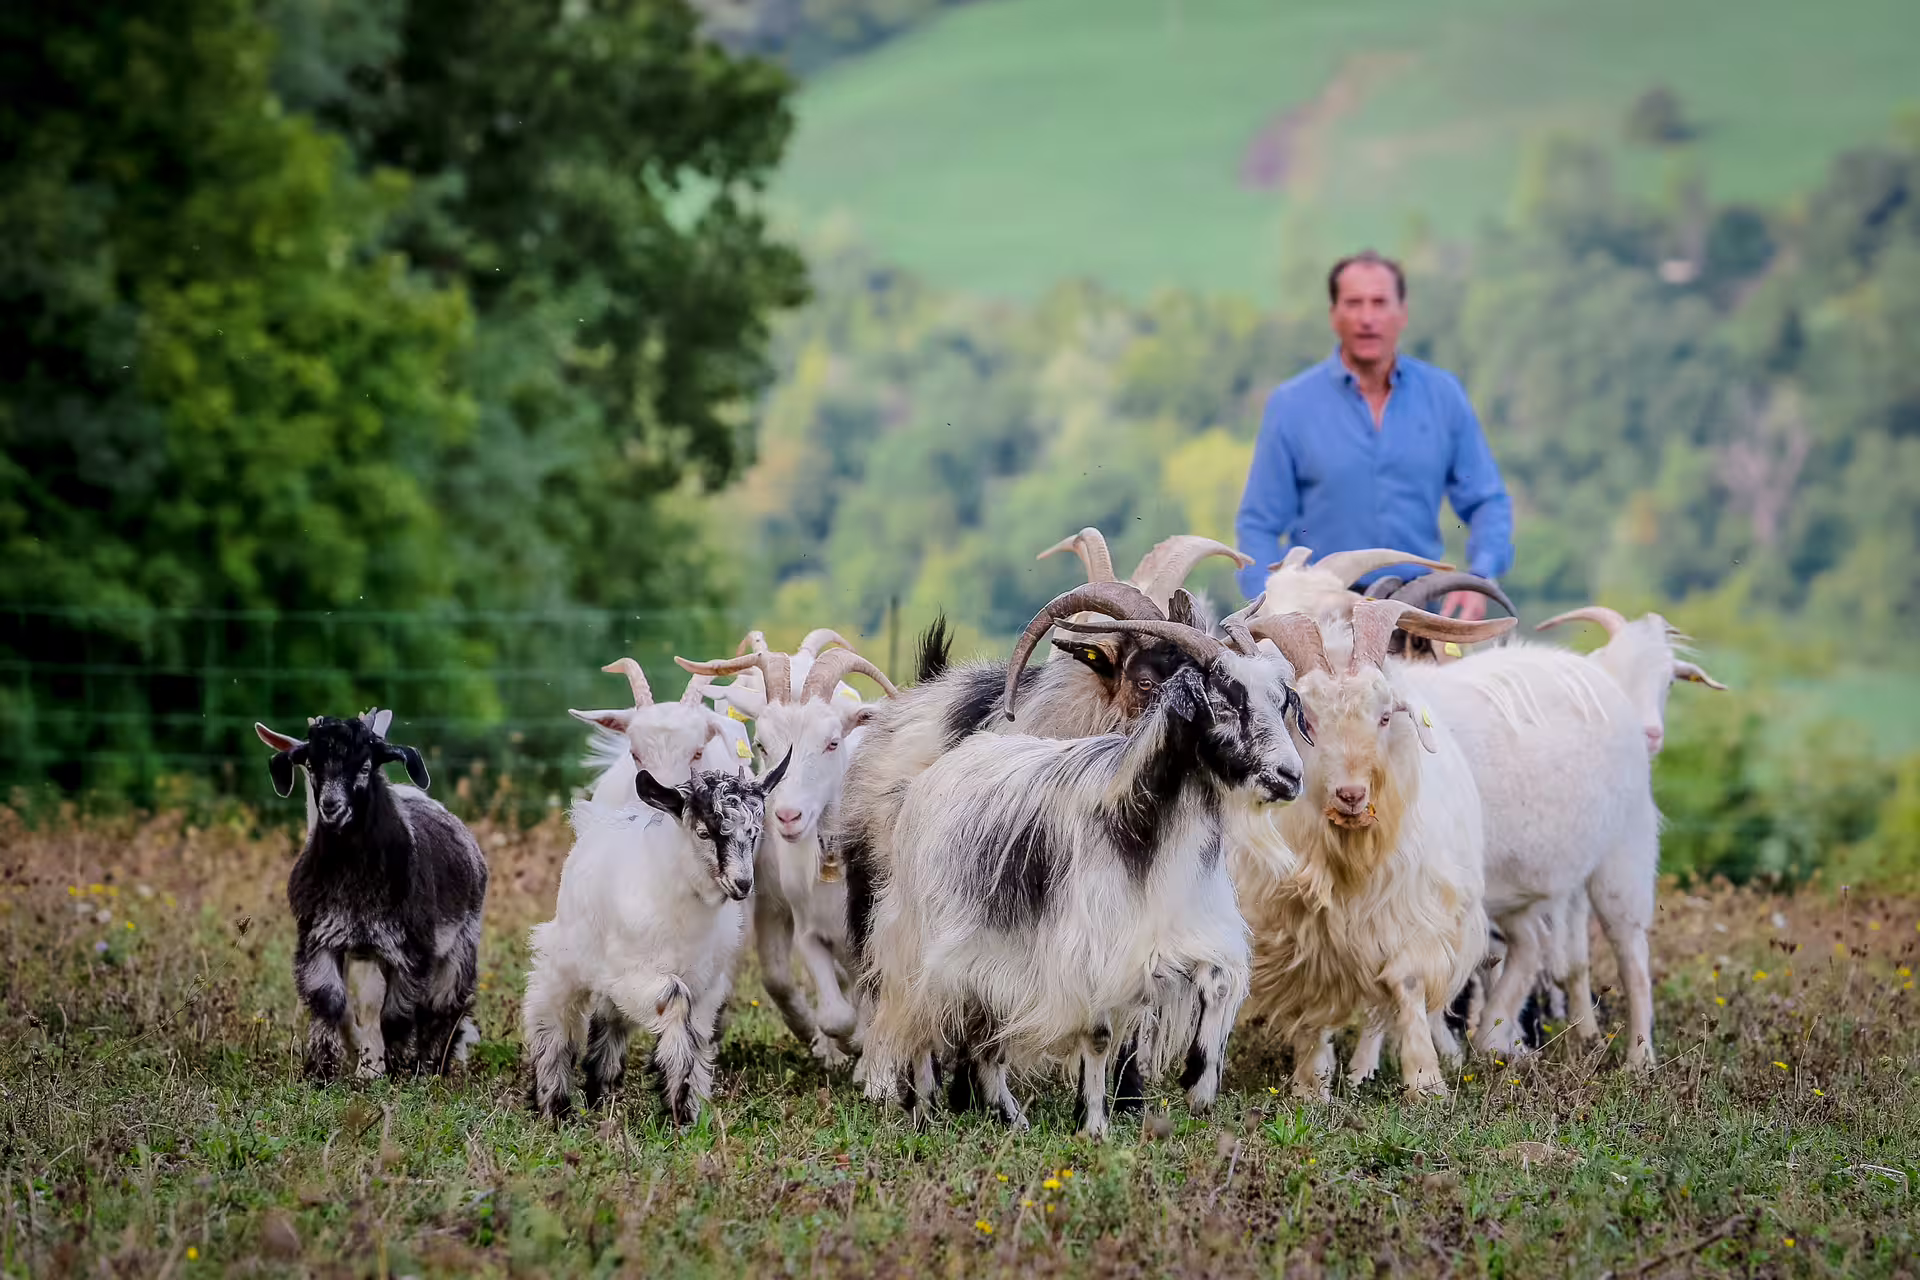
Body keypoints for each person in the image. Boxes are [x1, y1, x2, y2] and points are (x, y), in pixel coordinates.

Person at [1233, 250, 1513, 619]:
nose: (1367, 318)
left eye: (1379, 303)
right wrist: (1270, 607)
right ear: (1334, 315)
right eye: (1354, 303)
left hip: (1417, 613)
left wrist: (1481, 578)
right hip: (1323, 616)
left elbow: (1487, 502)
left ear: (1403, 313)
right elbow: (1259, 524)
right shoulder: (1292, 405)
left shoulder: (1443, 396)